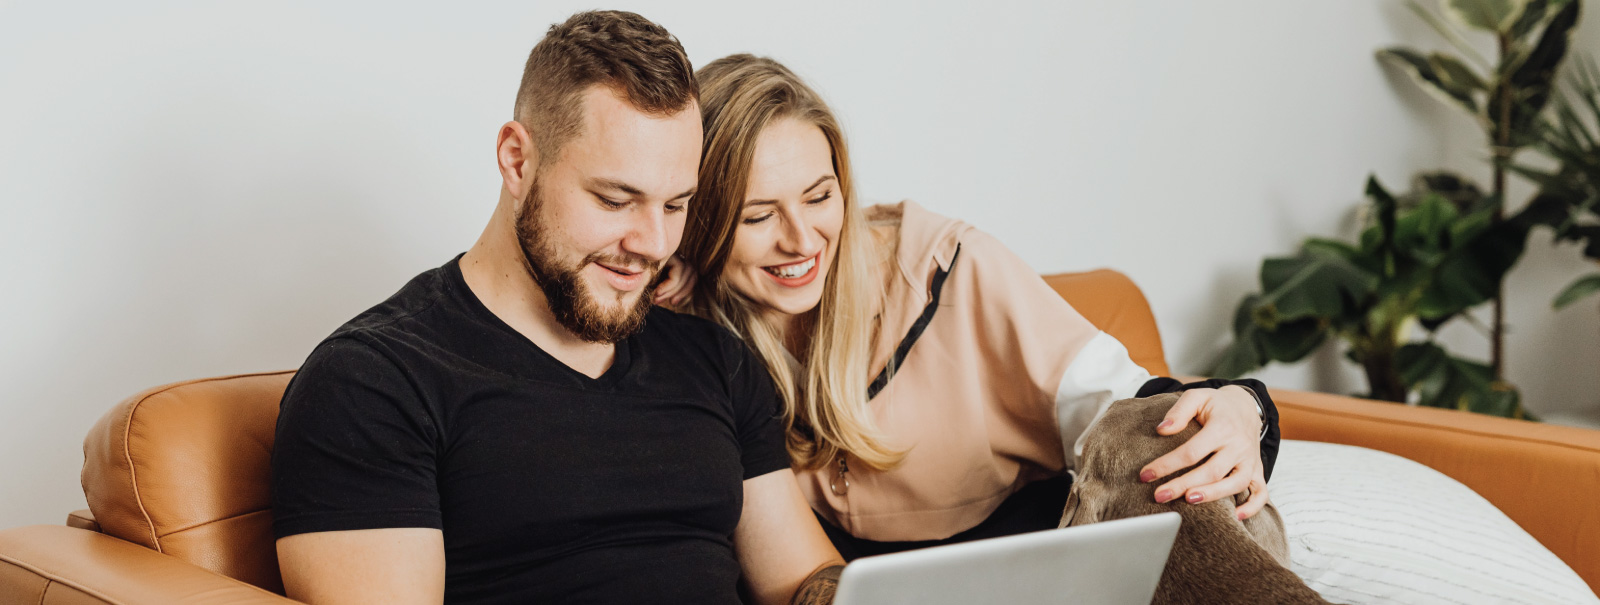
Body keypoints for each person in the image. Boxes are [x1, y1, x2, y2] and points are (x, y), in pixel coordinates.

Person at [270, 15, 843, 604]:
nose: (652, 243)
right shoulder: (372, 385)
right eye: (615, 199)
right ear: (518, 161)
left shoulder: (716, 362)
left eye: (676, 205)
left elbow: (802, 580)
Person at [657, 54, 1282, 560]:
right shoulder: (686, 323)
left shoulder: (950, 269)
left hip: (1034, 555)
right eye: (758, 216)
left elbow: (1125, 409)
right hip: (845, 582)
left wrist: (1244, 405)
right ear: (700, 220)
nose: (801, 239)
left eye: (820, 197)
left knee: (1168, 448)